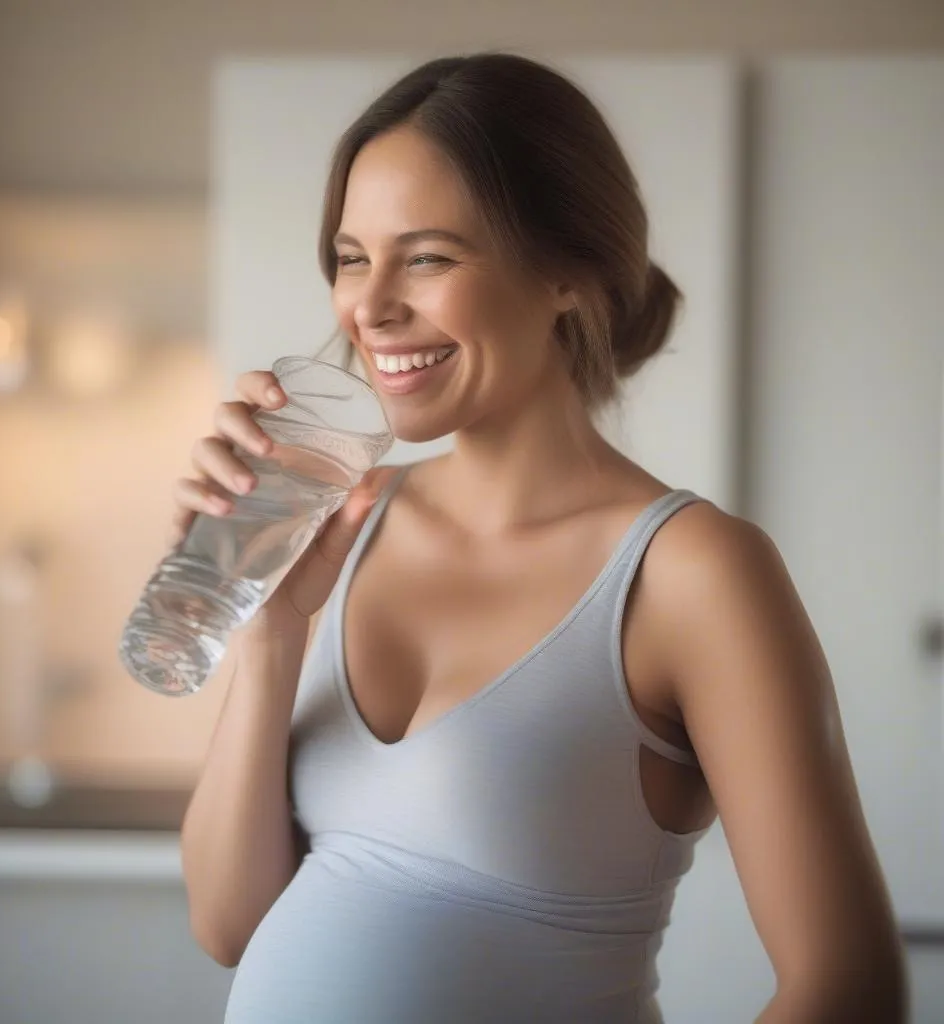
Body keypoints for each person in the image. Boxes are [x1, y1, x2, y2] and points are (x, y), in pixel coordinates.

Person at [176, 54, 906, 1023]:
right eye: (352, 257)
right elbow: (229, 925)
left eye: (427, 255)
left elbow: (848, 988)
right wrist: (267, 630)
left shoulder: (688, 574)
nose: (371, 305)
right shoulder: (333, 522)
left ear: (565, 269)